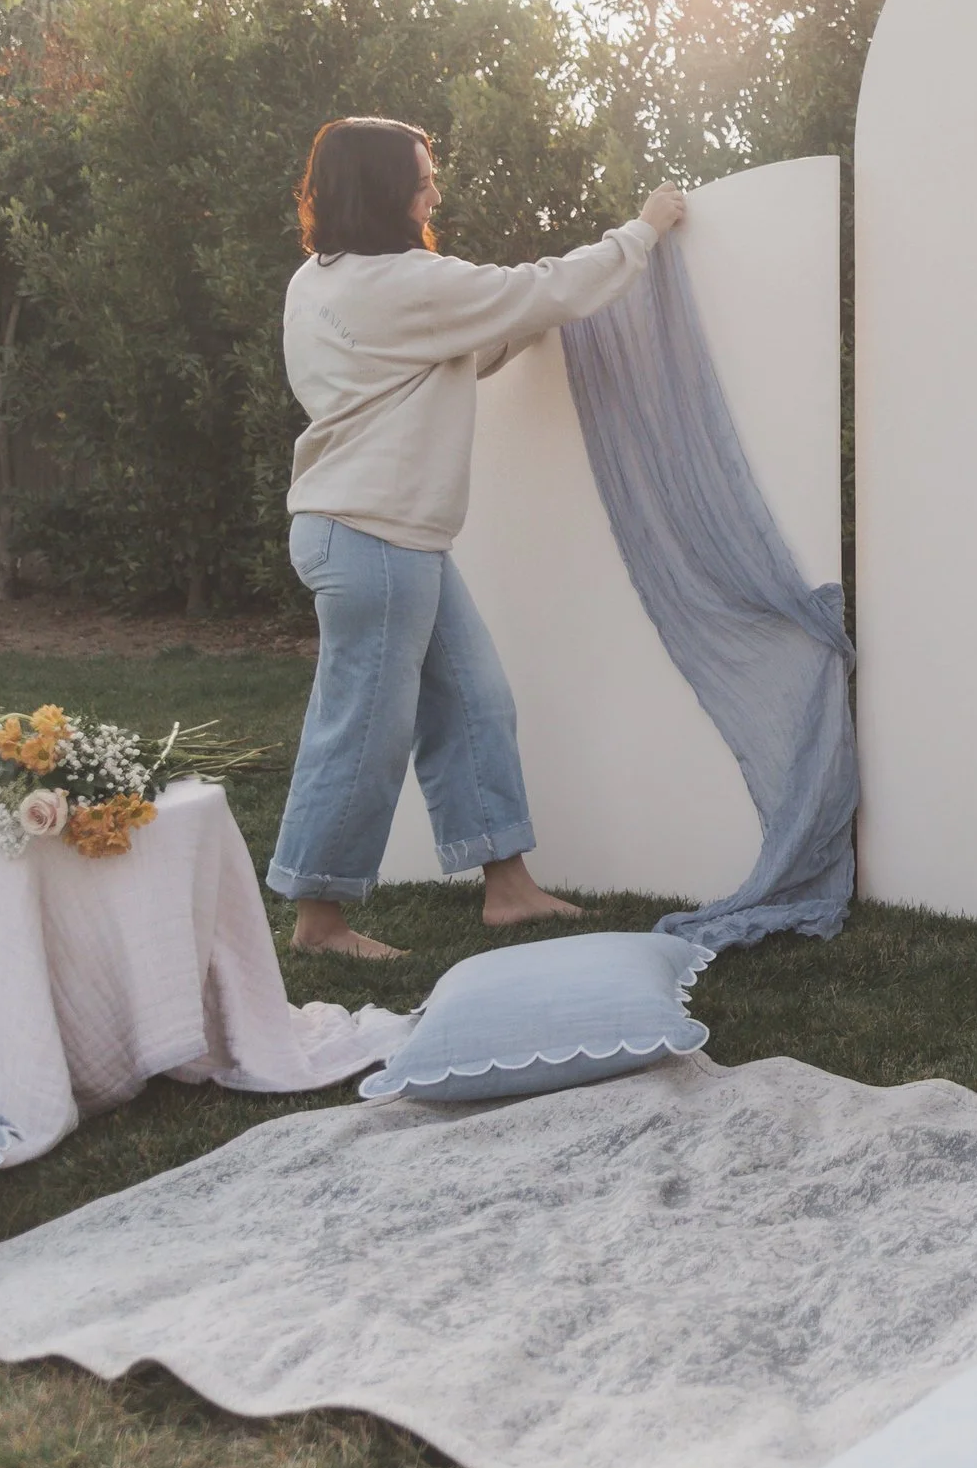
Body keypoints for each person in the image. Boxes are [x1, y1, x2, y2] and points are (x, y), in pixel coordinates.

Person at [267, 116, 687, 958]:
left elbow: (437, 357)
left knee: (475, 702)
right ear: (387, 191)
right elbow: (543, 288)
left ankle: (508, 887)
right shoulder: (406, 282)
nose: (435, 190)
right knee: (362, 733)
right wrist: (645, 227)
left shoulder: (320, 281)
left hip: (380, 534)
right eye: (423, 177)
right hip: (373, 538)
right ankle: (319, 922)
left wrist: (517, 323)